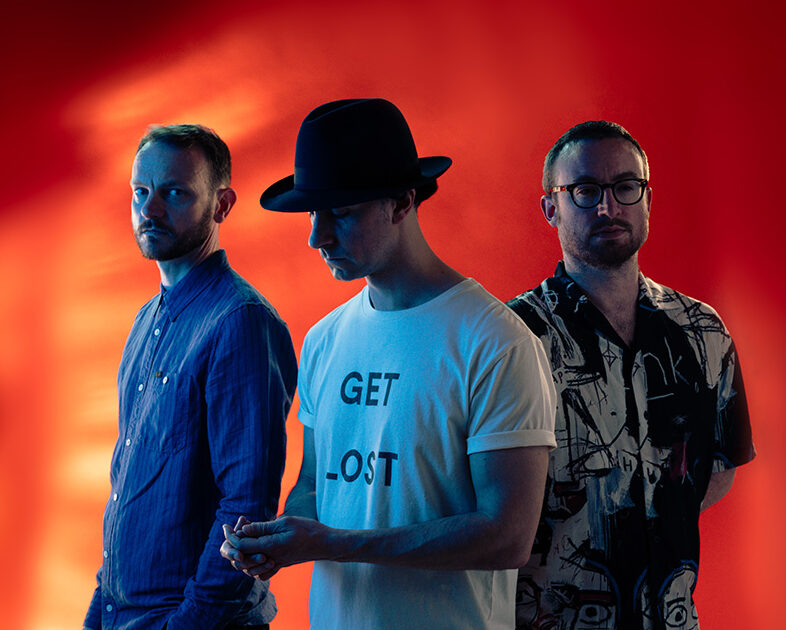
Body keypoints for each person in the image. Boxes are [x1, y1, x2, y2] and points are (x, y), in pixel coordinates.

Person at [220, 98, 557, 630]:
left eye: (342, 212)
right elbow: (315, 483)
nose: (318, 236)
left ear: (403, 202)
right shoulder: (324, 340)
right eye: (313, 212)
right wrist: (282, 538)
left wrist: (333, 543)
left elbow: (508, 535)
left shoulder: (496, 342)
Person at [506, 120, 756, 629]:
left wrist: (651, 513)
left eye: (625, 187)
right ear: (550, 207)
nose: (607, 207)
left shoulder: (701, 329)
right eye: (584, 191)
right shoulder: (512, 336)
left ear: (647, 198)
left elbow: (722, 464)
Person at [83, 124, 298, 630]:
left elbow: (246, 510)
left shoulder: (240, 322)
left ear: (222, 205)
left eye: (175, 193)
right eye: (141, 191)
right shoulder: (143, 323)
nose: (150, 210)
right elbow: (126, 487)